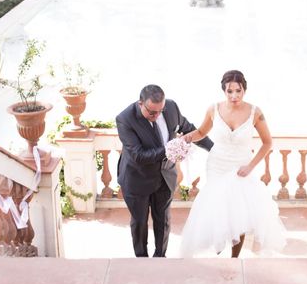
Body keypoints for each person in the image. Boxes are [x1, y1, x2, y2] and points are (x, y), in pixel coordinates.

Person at [179, 70, 287, 258]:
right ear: (224, 91)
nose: (234, 95)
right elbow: (202, 132)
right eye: (230, 91)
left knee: (239, 212)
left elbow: (267, 142)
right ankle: (219, 253)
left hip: (241, 167)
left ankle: (234, 258)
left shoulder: (255, 112)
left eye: (238, 91)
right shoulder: (213, 109)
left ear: (244, 89)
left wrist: (250, 167)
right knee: (218, 208)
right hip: (217, 165)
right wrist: (187, 137)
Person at [116, 85, 213, 257]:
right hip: (137, 178)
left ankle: (160, 257)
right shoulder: (125, 119)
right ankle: (141, 259)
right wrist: (171, 148)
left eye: (160, 111)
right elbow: (139, 155)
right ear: (140, 103)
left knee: (163, 220)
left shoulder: (171, 108)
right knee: (139, 223)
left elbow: (190, 130)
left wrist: (214, 149)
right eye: (152, 112)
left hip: (165, 176)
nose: (157, 116)